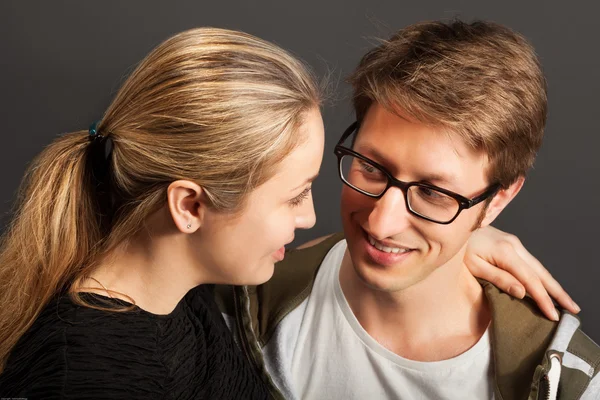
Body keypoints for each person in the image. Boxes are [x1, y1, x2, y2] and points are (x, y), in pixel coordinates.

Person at [219, 20, 599, 400]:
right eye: (370, 168)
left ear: (497, 200)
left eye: (433, 193)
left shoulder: (572, 382)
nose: (381, 223)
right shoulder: (239, 308)